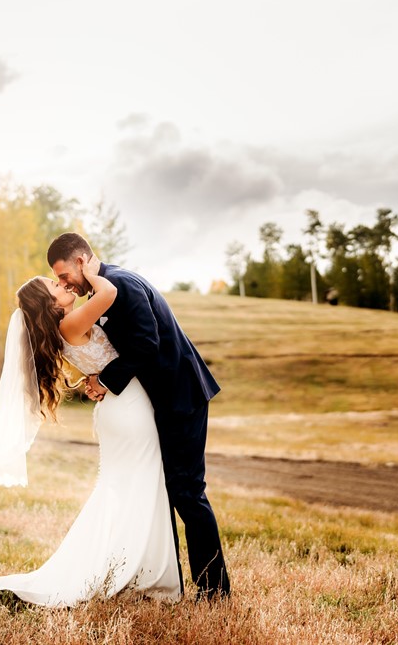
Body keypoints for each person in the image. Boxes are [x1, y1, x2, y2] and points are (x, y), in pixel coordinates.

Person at [0, 254, 181, 606]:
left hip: (120, 405)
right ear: (50, 305)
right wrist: (89, 269)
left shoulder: (66, 327)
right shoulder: (70, 324)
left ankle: (134, 568)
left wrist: (92, 377)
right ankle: (137, 573)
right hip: (128, 409)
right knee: (140, 485)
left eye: (61, 280)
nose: (64, 285)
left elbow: (100, 357)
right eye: (56, 285)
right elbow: (109, 291)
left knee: (130, 488)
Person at [48, 232, 230, 600]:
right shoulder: (106, 289)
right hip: (158, 403)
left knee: (188, 493)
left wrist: (106, 379)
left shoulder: (121, 285)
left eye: (65, 274)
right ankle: (163, 577)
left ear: (81, 261)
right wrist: (97, 376)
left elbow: (148, 344)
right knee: (166, 490)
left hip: (181, 397)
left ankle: (215, 591)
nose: (65, 283)